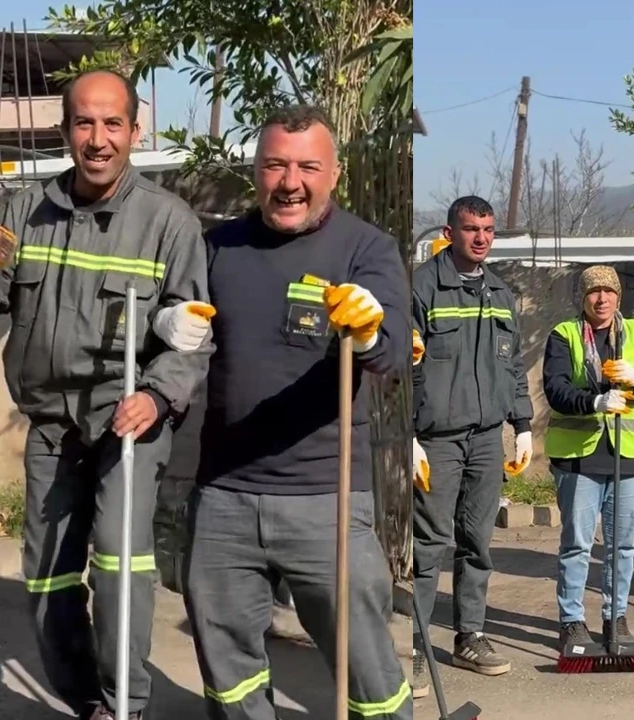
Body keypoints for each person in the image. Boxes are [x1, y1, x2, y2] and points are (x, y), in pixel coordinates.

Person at [0, 69, 212, 720]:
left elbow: (193, 334)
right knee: (47, 575)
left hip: (129, 421)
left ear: (134, 131)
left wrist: (156, 395)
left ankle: (128, 705)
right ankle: (85, 698)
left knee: (122, 566)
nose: (98, 139)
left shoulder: (168, 223)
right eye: (84, 124)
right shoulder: (22, 213)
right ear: (65, 131)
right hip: (51, 423)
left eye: (112, 123)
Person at [176, 105, 412, 720]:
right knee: (226, 665)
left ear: (335, 173)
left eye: (308, 166)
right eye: (275, 164)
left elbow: (391, 353)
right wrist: (165, 325)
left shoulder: (367, 248)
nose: (290, 181)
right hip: (223, 495)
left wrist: (367, 331)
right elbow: (175, 334)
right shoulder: (219, 246)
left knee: (367, 668)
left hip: (325, 499)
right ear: (255, 171)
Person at [410, 195, 533, 692]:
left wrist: (522, 424)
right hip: (435, 440)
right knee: (429, 546)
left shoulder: (500, 292)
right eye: (470, 229)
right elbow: (396, 368)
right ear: (449, 231)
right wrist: (407, 435)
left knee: (477, 542)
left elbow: (513, 363)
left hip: (485, 438)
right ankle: (415, 646)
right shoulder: (422, 288)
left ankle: (470, 636)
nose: (480, 238)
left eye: (488, 230)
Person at [542, 265, 634, 649]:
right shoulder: (564, 335)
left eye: (609, 292)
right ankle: (572, 621)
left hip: (627, 457)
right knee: (578, 544)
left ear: (618, 297)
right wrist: (594, 400)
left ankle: (616, 617)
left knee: (622, 545)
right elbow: (555, 388)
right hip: (578, 458)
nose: (602, 299)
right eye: (593, 292)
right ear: (582, 298)